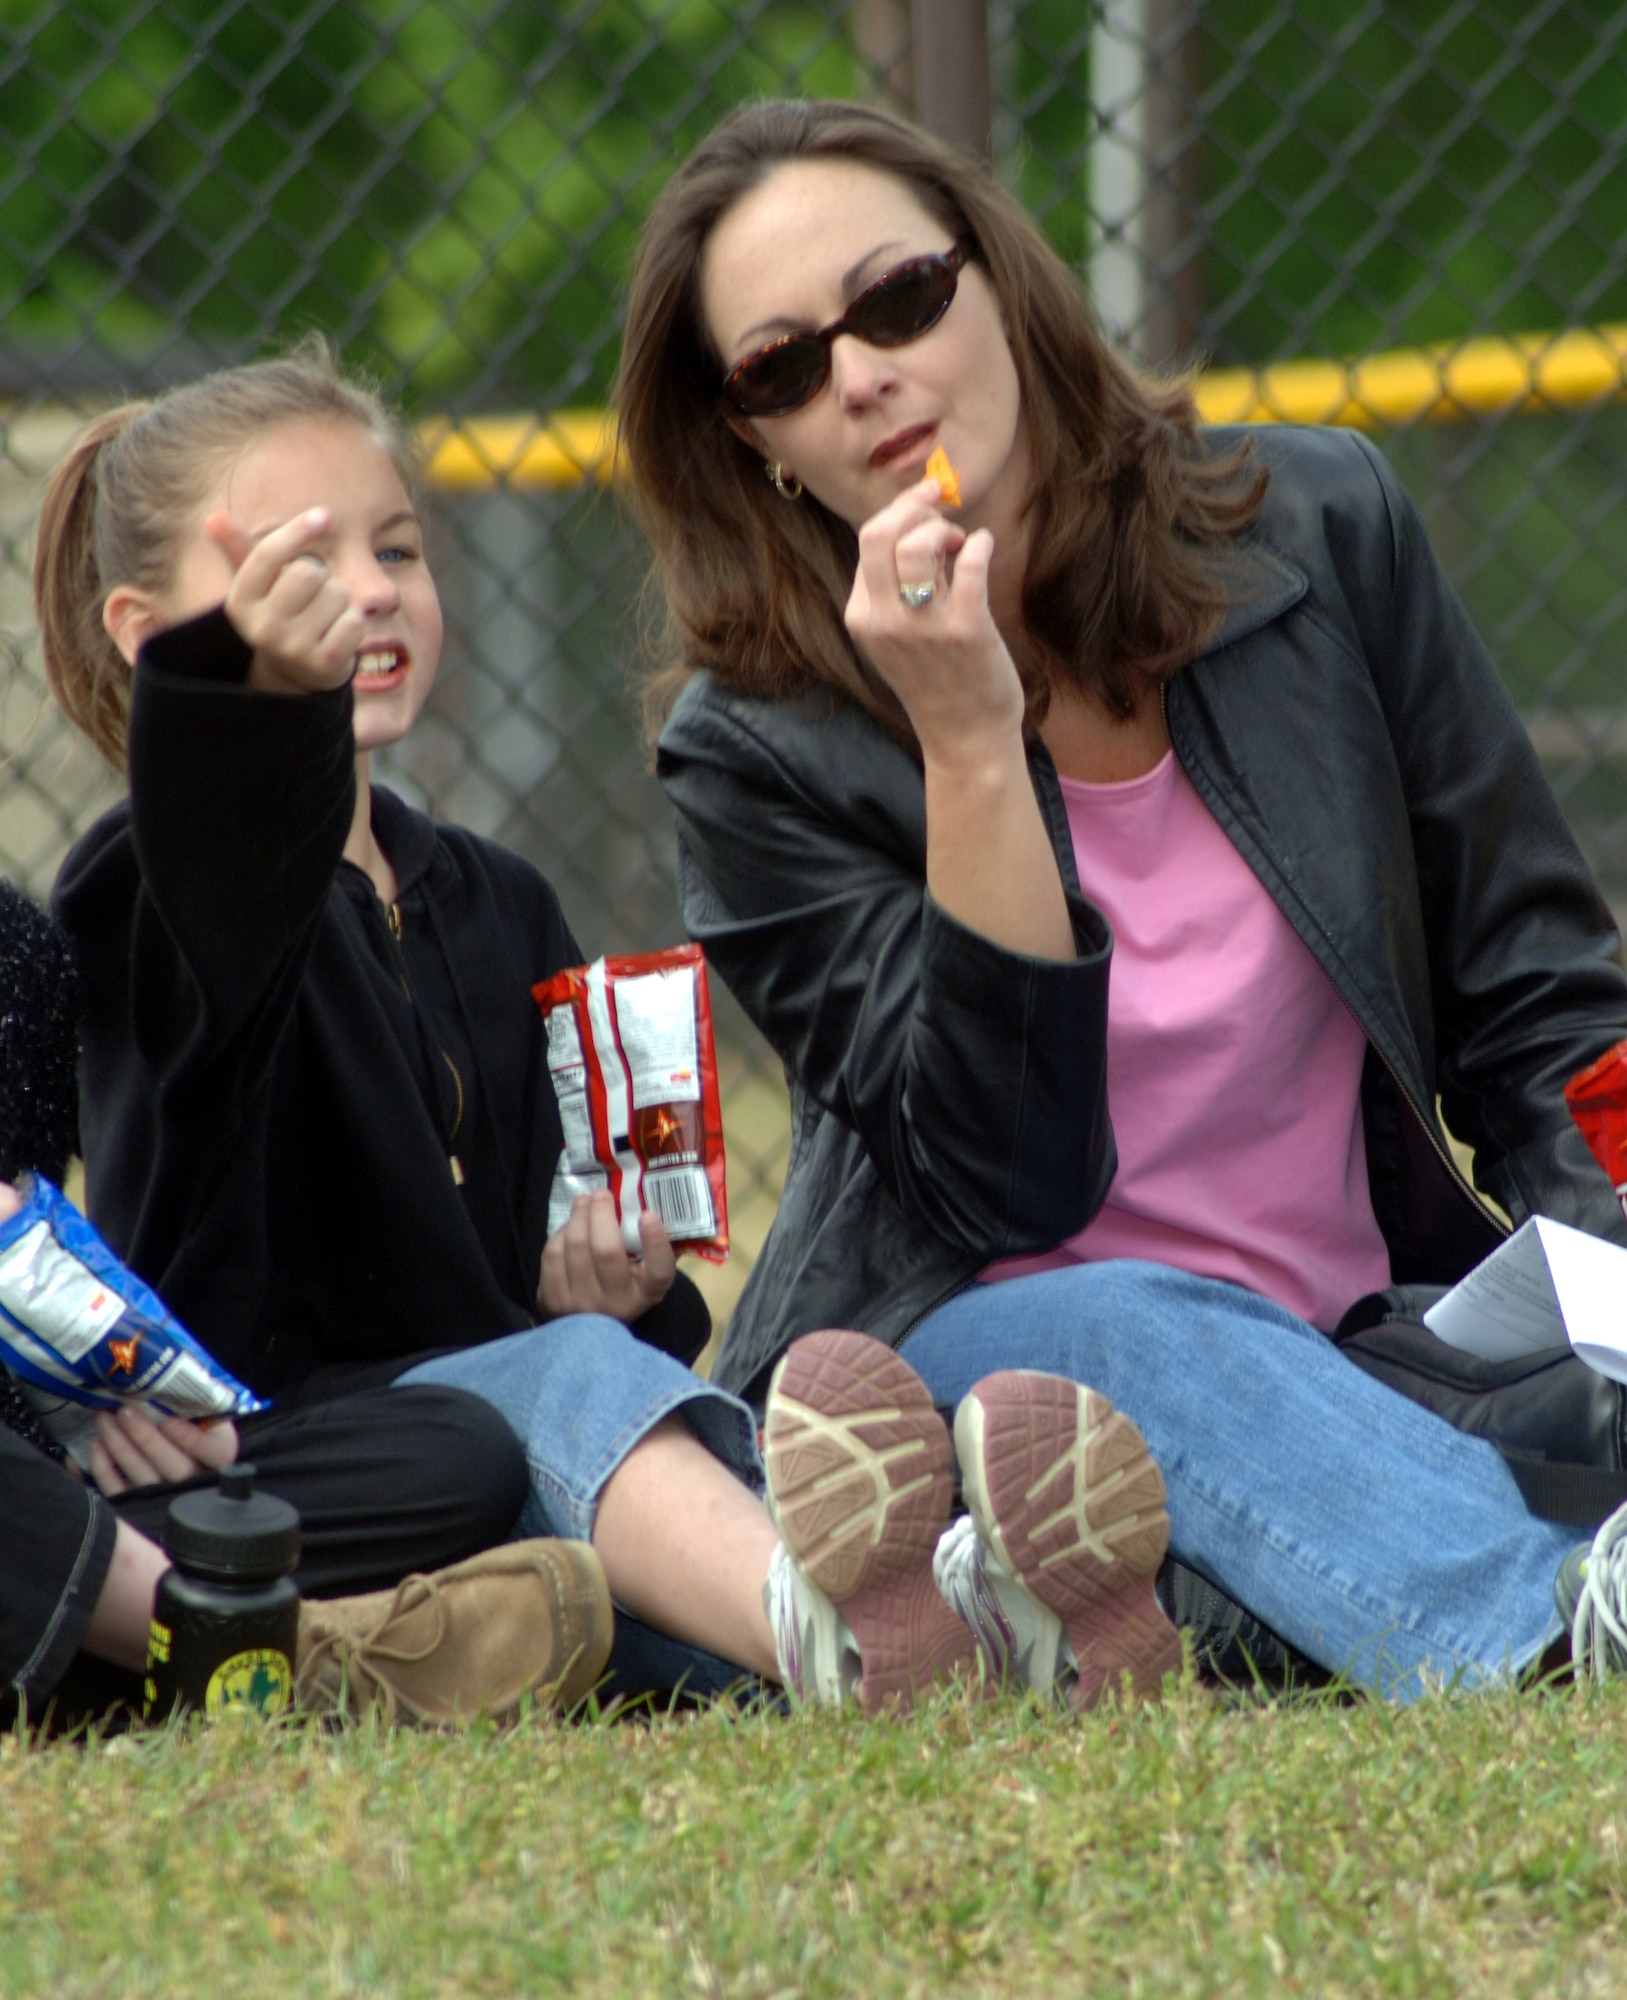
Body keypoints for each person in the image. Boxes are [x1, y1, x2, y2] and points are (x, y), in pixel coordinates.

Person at [620, 97, 1627, 1701]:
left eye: (895, 302)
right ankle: (1543, 1629)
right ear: (756, 441)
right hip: (993, 1353)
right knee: (1134, 1330)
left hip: (1361, 1346)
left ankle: (1084, 1611)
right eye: (782, 367)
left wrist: (1611, 1248)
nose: (860, 374)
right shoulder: (751, 750)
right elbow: (1005, 1178)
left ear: (1000, 282)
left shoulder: (1317, 528)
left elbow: (1537, 996)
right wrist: (966, 737)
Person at [37, 343, 1074, 1715]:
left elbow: (527, 1288)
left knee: (540, 1421)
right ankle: (859, 1639)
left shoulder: (494, 903)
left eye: (396, 550)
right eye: (293, 565)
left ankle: (927, 1609)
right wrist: (241, 703)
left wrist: (591, 1286)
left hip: (500, 1436)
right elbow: (232, 866)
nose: (366, 593)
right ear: (147, 634)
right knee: (490, 1438)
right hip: (261, 1462)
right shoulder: (152, 890)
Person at [0, 879, 609, 1727]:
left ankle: (120, 1652)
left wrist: (104, 1404)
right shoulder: (138, 880)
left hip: (63, 1510)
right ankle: (293, 1655)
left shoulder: (13, 949)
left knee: (464, 1450)